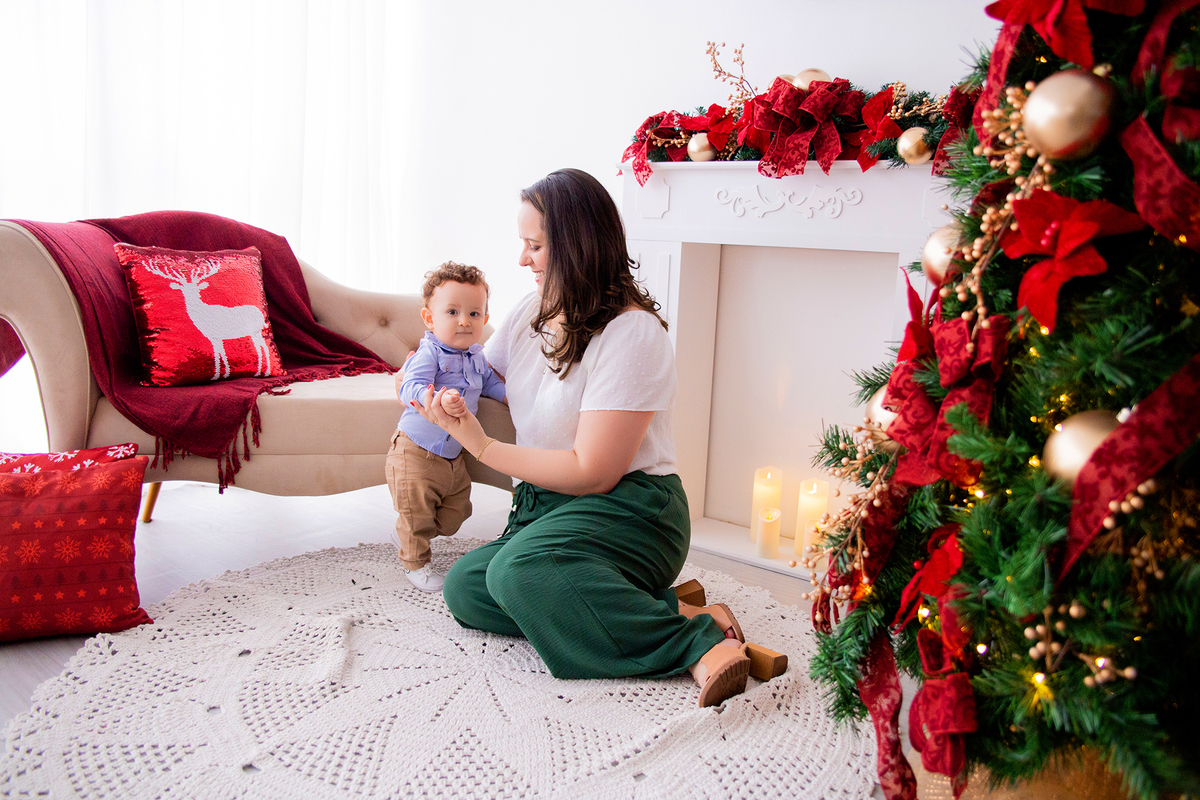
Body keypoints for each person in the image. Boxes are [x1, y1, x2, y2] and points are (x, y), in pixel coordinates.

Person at [407, 168, 755, 707]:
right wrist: (428, 380)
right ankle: (666, 608)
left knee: (518, 573)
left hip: (631, 511)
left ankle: (699, 643)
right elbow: (482, 376)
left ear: (575, 245)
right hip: (547, 509)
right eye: (523, 244)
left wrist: (482, 447)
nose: (523, 259)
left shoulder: (633, 333)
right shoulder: (531, 312)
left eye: (535, 245)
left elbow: (595, 470)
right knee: (469, 589)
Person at [388, 262, 506, 592]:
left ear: (484, 319)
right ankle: (415, 562)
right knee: (416, 512)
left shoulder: (478, 357)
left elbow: (489, 385)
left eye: (473, 313)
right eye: (452, 312)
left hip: (453, 456)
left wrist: (509, 395)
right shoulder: (430, 354)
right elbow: (410, 385)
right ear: (430, 318)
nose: (464, 321)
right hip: (415, 450)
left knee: (457, 511)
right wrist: (433, 398)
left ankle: (416, 530)